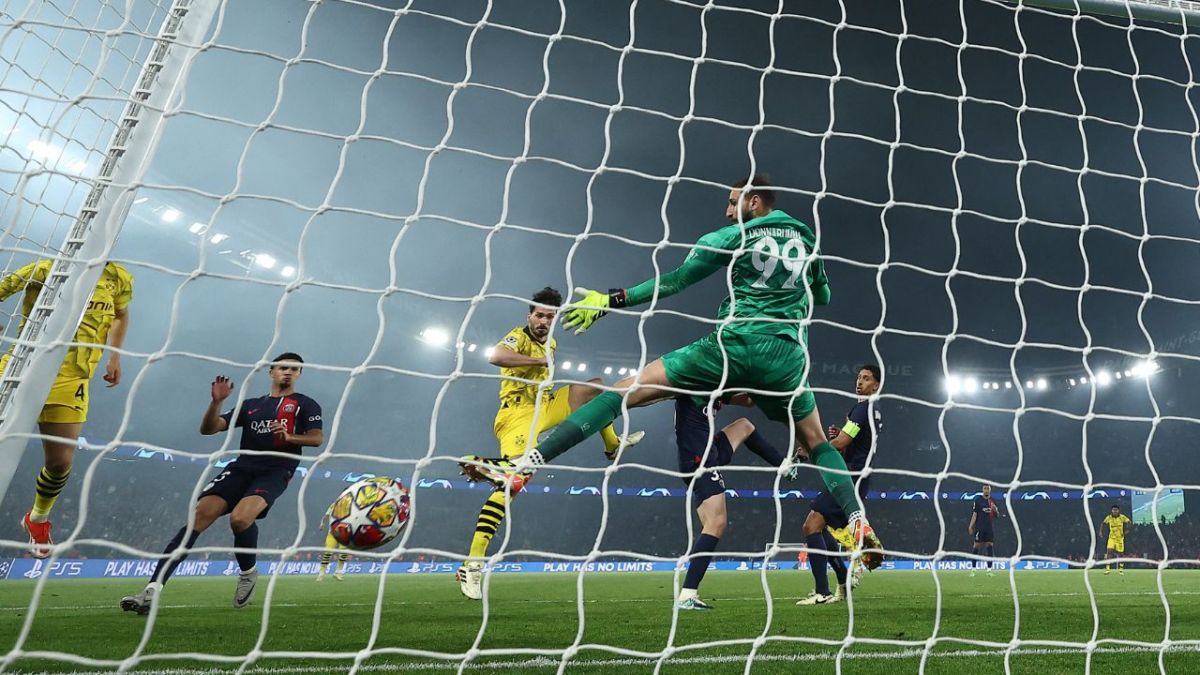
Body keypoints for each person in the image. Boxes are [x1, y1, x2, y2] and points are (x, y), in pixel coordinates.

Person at [465, 175, 884, 565]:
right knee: (816, 440)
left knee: (622, 392)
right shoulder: (806, 236)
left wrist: (610, 301)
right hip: (788, 359)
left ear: (754, 202)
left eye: (732, 202)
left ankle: (524, 466)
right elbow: (824, 295)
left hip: (733, 347)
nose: (727, 210)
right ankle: (857, 521)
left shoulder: (735, 235)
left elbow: (679, 280)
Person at [456, 287, 644, 599]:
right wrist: (536, 359)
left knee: (595, 388)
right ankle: (473, 564)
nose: (543, 321)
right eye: (539, 315)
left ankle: (612, 445)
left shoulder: (551, 341)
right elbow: (495, 355)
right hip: (516, 414)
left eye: (549, 316)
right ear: (529, 316)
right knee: (514, 482)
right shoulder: (519, 337)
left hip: (544, 405)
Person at [120, 353, 323, 613]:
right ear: (271, 371)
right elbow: (209, 428)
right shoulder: (251, 405)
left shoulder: (305, 404)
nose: (288, 372)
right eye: (283, 367)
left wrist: (290, 437)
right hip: (241, 468)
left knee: (239, 519)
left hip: (275, 470)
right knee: (199, 516)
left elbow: (316, 439)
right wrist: (216, 403)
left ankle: (248, 572)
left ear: (299, 375)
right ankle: (151, 591)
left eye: (294, 369)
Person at [0, 259, 133, 557]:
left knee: (60, 463)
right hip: (24, 366)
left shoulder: (119, 277)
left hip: (72, 378)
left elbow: (121, 315)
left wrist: (114, 356)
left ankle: (37, 519)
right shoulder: (47, 268)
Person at [672, 394, 792, 610]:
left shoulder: (718, 381)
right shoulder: (694, 380)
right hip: (699, 461)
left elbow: (748, 400)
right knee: (716, 523)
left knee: (744, 425)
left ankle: (783, 465)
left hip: (710, 450)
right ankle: (687, 594)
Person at [799, 365, 882, 604]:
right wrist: (839, 438)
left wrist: (811, 449)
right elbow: (849, 439)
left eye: (866, 379)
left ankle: (822, 591)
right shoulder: (873, 411)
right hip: (857, 477)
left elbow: (843, 440)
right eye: (858, 378)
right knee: (820, 528)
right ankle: (843, 579)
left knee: (811, 526)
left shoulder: (862, 408)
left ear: (876, 385)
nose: (860, 382)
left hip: (850, 479)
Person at [968, 483, 1000, 578]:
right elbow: (975, 514)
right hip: (980, 527)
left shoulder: (992, 501)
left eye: (988, 488)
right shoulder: (978, 500)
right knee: (976, 546)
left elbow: (997, 516)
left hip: (989, 528)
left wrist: (995, 510)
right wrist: (971, 526)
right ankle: (973, 570)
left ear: (990, 490)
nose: (986, 490)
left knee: (990, 546)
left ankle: (989, 570)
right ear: (983, 490)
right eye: (985, 488)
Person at [317, 506, 349, 581]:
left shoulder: (349, 505)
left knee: (343, 553)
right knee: (328, 553)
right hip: (332, 534)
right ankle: (321, 574)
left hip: (344, 534)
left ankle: (338, 573)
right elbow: (326, 516)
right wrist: (322, 523)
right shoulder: (333, 505)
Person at [1101, 504, 1131, 575]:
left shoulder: (1122, 517)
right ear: (1111, 511)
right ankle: (1107, 569)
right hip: (1111, 538)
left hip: (1120, 539)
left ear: (1118, 511)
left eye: (1116, 510)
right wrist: (1100, 531)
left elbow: (1129, 522)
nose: (1114, 511)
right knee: (1109, 552)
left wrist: (1127, 530)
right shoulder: (1109, 517)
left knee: (1121, 554)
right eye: (1113, 510)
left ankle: (1121, 570)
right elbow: (1103, 523)